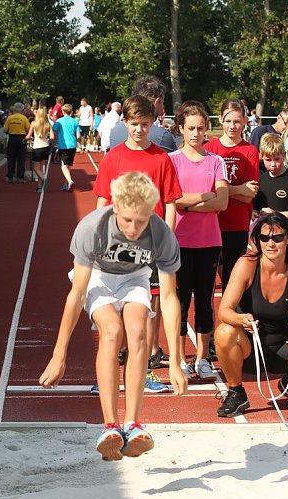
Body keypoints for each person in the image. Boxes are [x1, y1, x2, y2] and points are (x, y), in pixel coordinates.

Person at [38, 171, 187, 461]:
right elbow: (76, 295)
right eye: (127, 220)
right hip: (98, 276)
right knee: (112, 331)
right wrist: (59, 355)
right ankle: (110, 426)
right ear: (115, 207)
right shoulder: (92, 228)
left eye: (141, 221)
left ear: (152, 212)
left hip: (135, 277)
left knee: (138, 330)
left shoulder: (161, 234)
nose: (133, 229)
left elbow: (169, 298)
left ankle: (133, 423)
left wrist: (175, 364)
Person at [93, 95, 183, 391]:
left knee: (144, 310)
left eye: (145, 124)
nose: (139, 130)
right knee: (112, 310)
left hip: (151, 245)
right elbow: (102, 201)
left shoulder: (161, 159)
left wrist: (166, 238)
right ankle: (107, 374)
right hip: (116, 245)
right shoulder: (113, 158)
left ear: (153, 123)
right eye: (134, 124)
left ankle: (143, 372)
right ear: (125, 123)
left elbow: (170, 202)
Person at [214, 213, 288, 417]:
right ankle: (236, 392)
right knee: (224, 332)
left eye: (277, 238)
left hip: (283, 347)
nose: (270, 244)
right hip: (250, 348)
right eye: (264, 238)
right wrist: (241, 319)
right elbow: (224, 310)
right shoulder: (246, 265)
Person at [168, 101, 229, 381]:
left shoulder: (215, 161)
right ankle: (180, 358)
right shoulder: (171, 160)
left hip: (209, 242)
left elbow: (222, 201)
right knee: (180, 303)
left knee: (205, 301)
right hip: (179, 241)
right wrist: (205, 198)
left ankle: (203, 358)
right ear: (181, 128)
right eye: (191, 128)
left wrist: (189, 203)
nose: (196, 133)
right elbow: (172, 198)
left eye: (201, 128)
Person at [204, 99, 260, 293]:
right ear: (220, 119)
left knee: (233, 279)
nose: (232, 126)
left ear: (244, 121)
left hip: (237, 223)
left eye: (237, 121)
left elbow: (249, 194)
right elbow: (207, 190)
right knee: (207, 278)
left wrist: (223, 191)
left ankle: (232, 312)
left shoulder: (249, 151)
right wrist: (238, 189)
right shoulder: (210, 149)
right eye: (228, 121)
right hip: (211, 221)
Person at [109, 75, 179, 152]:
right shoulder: (163, 136)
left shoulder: (114, 131)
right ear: (158, 101)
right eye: (162, 102)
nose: (163, 107)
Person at [25, 107, 55, 193]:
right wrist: (47, 139)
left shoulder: (34, 123)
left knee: (35, 167)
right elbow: (52, 137)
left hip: (37, 148)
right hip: (46, 147)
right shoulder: (48, 124)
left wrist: (26, 138)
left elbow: (29, 136)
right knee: (41, 168)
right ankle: (39, 187)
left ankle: (44, 179)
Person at [52, 103, 80, 192]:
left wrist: (54, 141)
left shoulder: (59, 121)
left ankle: (70, 181)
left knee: (63, 166)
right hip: (72, 146)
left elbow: (54, 130)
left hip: (63, 146)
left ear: (63, 112)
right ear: (71, 112)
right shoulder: (75, 121)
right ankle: (65, 184)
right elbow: (78, 136)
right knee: (68, 166)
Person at [3, 102, 31, 184]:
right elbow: (28, 129)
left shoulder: (10, 118)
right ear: (22, 110)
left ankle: (10, 176)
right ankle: (20, 177)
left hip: (12, 138)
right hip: (21, 138)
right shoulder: (24, 118)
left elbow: (5, 130)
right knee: (21, 158)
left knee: (11, 158)